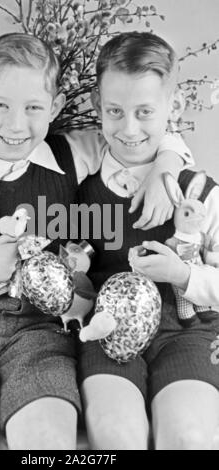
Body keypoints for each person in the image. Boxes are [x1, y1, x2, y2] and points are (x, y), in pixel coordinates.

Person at [0, 32, 192, 450]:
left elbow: (137, 133)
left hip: (40, 332)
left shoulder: (71, 154)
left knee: (47, 441)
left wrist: (167, 165)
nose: (16, 124)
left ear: (56, 107)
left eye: (32, 108)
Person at [77, 31, 219, 450]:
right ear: (96, 108)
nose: (129, 128)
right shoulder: (77, 189)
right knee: (115, 435)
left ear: (173, 107)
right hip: (106, 332)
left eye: (144, 112)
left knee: (189, 436)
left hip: (187, 331)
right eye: (115, 112)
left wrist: (183, 273)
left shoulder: (201, 194)